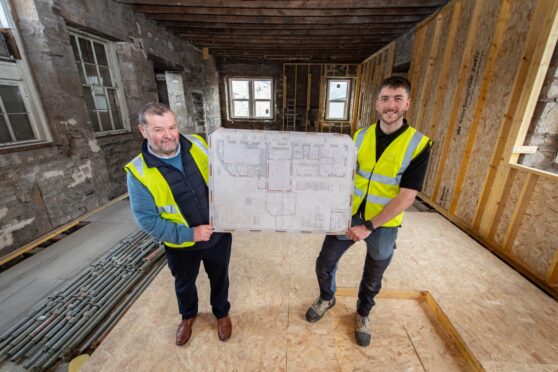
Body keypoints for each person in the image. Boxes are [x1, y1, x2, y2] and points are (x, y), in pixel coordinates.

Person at [305, 76, 431, 347]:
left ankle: (363, 314)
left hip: (383, 224)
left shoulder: (418, 144)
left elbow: (407, 195)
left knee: (373, 275)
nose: (390, 105)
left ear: (407, 103)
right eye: (385, 98)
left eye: (398, 99)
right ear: (377, 104)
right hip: (349, 214)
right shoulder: (360, 137)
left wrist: (369, 226)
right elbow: (343, 176)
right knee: (325, 263)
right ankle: (327, 297)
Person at [125, 102, 233, 346]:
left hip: (217, 234)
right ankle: (188, 317)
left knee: (220, 276)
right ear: (143, 131)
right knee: (184, 282)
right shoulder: (139, 172)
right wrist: (189, 234)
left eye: (172, 127)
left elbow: (225, 174)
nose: (169, 135)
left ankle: (221, 312)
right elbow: (147, 219)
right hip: (180, 243)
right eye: (158, 130)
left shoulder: (197, 145)